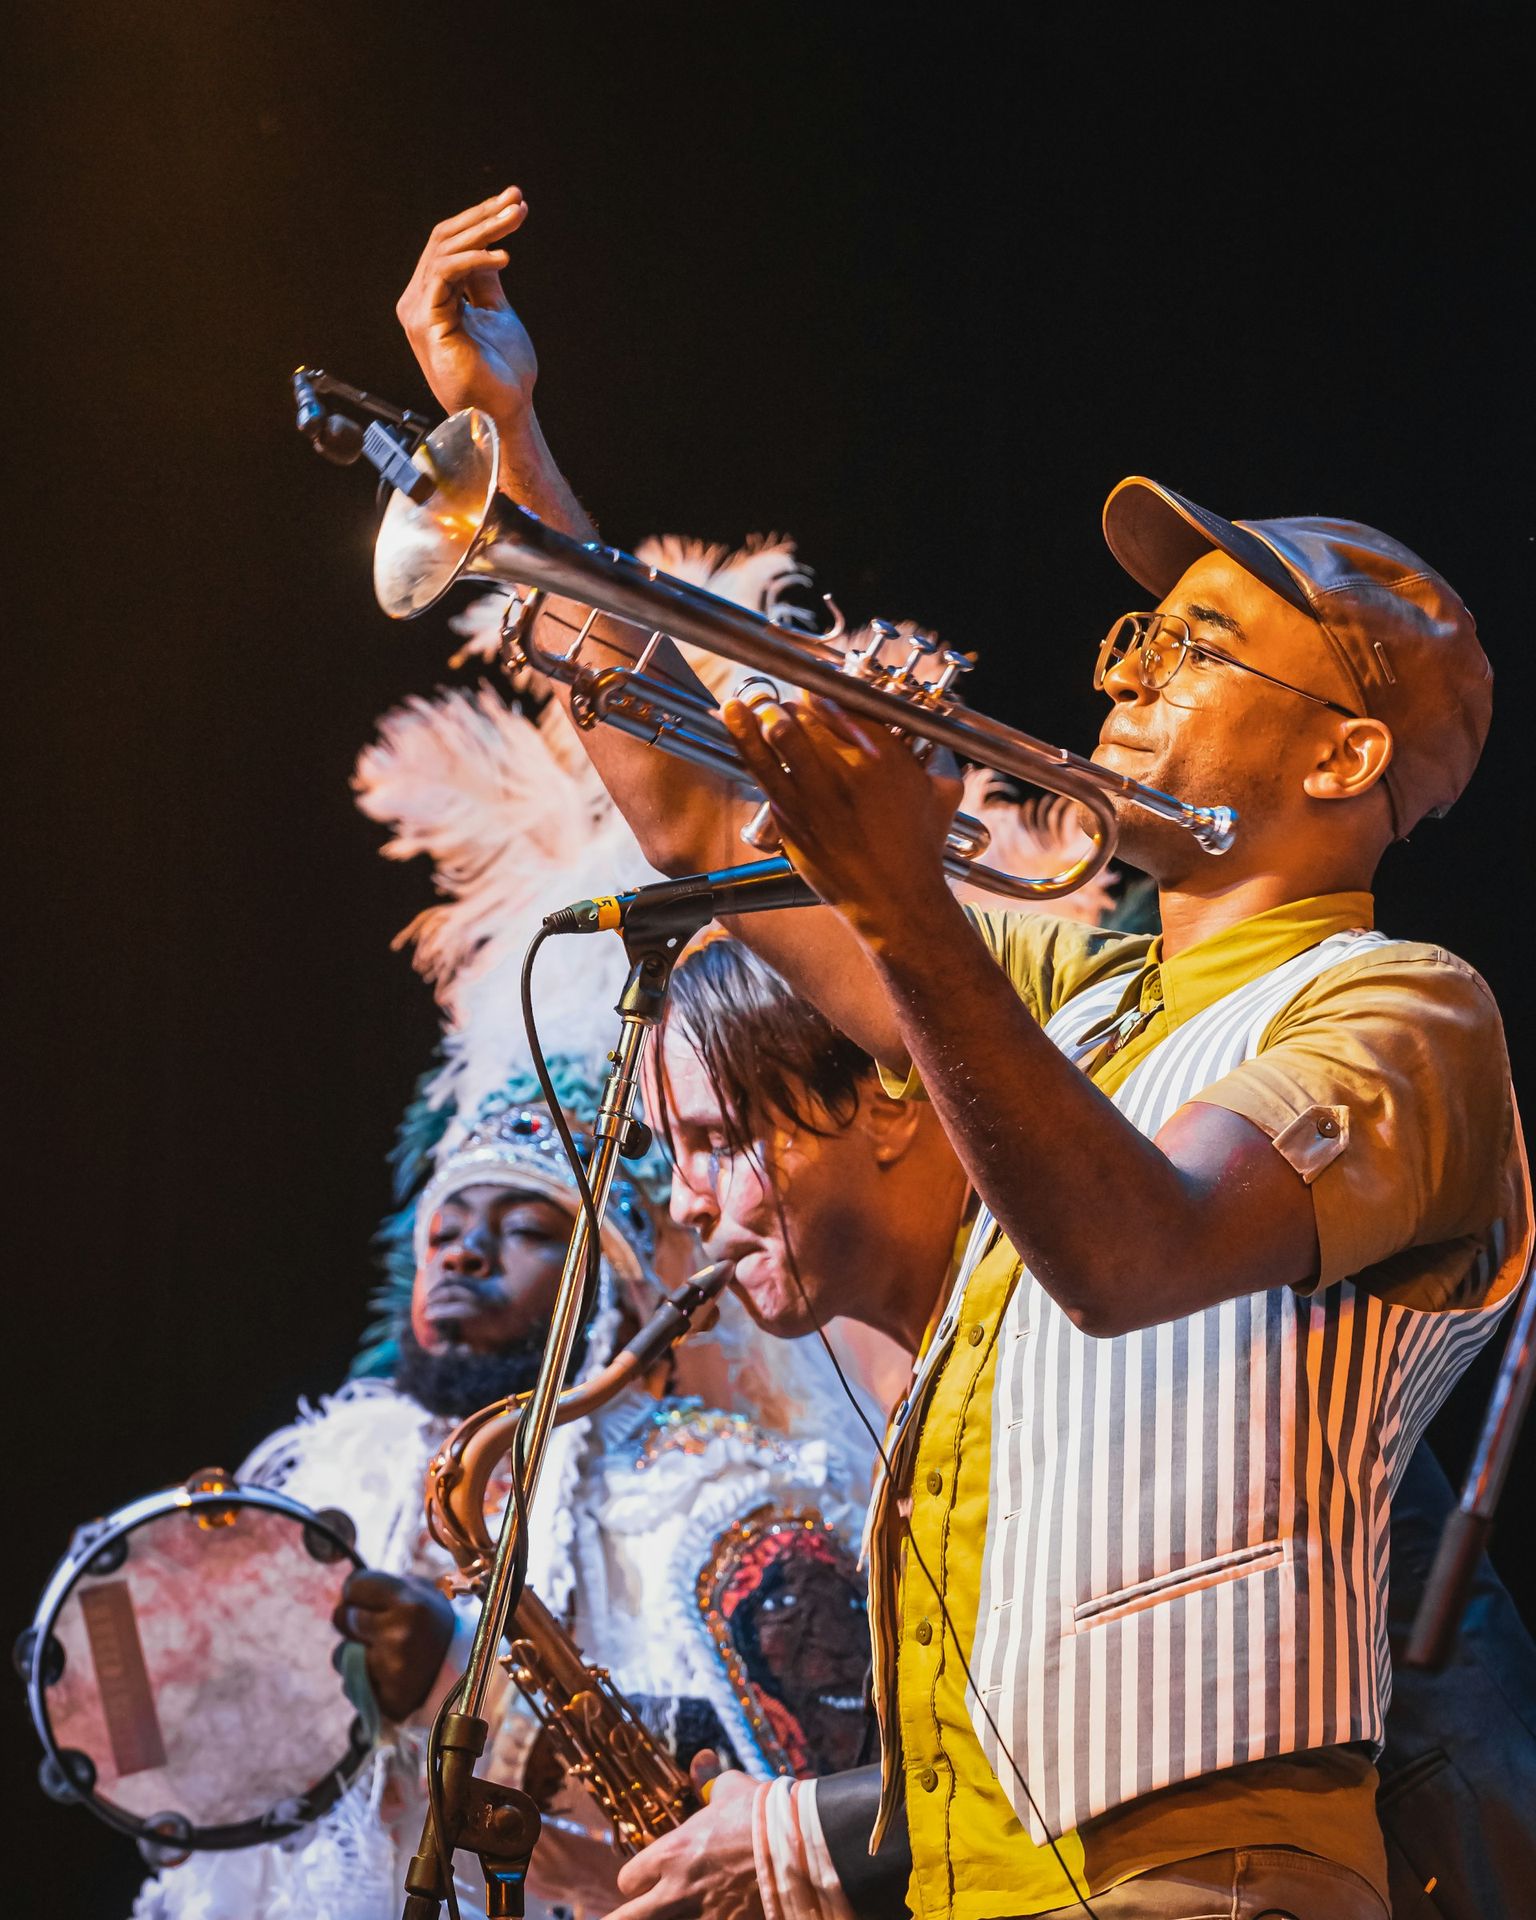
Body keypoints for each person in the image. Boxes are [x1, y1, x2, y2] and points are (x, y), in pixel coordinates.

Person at [394, 186, 1530, 1920]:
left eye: (1200, 648)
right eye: (1137, 638)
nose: (1130, 677)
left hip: (1204, 1875)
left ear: (1345, 752)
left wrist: (911, 901)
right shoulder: (1074, 997)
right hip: (981, 1868)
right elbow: (697, 807)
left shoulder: (1399, 1008)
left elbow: (1136, 1246)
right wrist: (515, 457)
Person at [131, 662, 879, 1920]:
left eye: (526, 1228)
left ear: (620, 1288)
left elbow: (806, 1828)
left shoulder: (740, 1515)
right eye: (447, 1227)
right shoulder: (327, 1483)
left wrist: (451, 1683)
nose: (462, 1254)